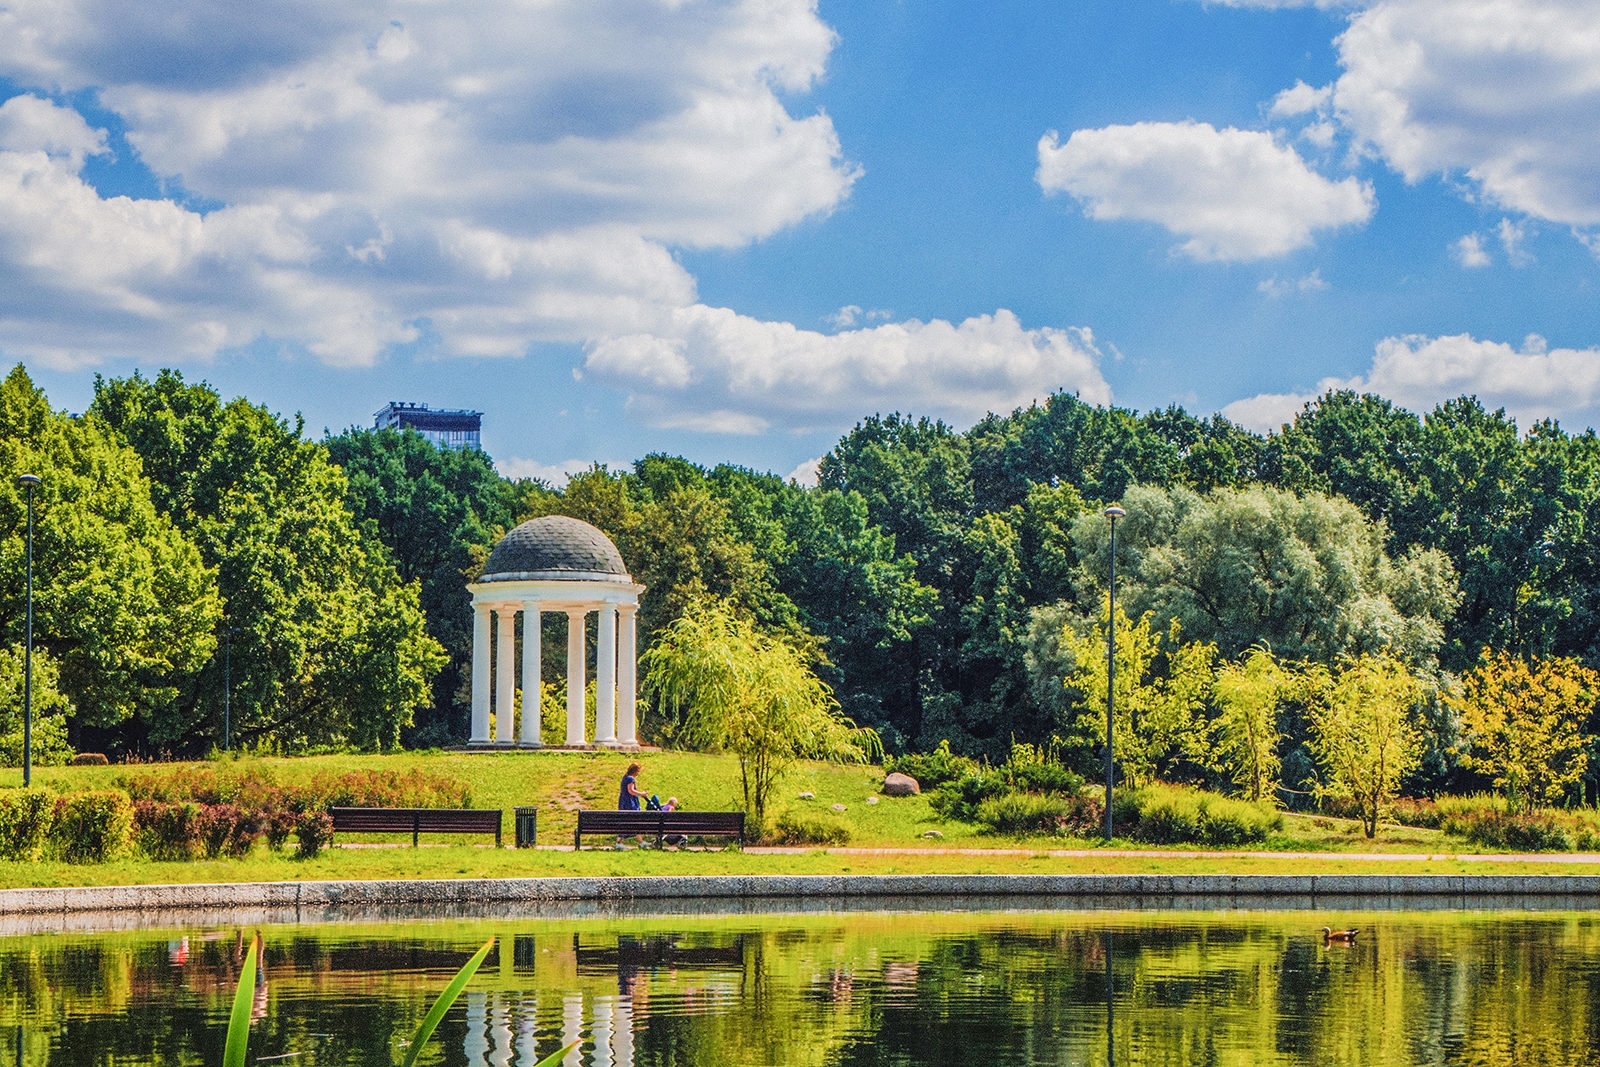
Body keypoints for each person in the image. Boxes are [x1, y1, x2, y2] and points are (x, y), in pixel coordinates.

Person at [617, 762, 645, 849]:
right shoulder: (630, 779)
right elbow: (631, 791)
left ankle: (641, 841)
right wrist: (641, 794)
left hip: (624, 802)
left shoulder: (625, 777)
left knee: (631, 821)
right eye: (638, 771)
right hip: (629, 803)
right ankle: (619, 842)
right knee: (633, 820)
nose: (638, 773)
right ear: (634, 771)